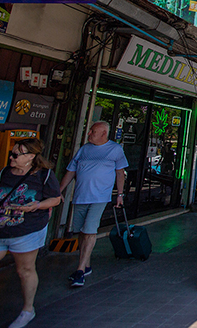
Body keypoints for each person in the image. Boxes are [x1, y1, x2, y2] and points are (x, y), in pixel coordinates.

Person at [0, 138, 62, 328]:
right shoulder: (4, 173)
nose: (11, 157)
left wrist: (37, 206)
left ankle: (27, 309)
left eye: (16, 154)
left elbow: (55, 199)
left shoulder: (44, 175)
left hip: (26, 232)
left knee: (25, 270)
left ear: (31, 157)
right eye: (11, 153)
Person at [59, 121, 128, 288]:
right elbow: (71, 171)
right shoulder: (84, 149)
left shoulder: (115, 150)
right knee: (81, 231)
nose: (89, 133)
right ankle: (86, 264)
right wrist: (59, 190)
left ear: (104, 133)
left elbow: (120, 173)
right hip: (80, 196)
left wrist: (120, 194)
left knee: (90, 230)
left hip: (100, 197)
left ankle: (80, 270)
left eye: (93, 131)